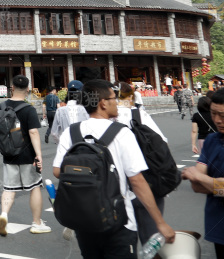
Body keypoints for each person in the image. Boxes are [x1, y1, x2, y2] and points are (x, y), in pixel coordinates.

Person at [54, 79, 175, 258]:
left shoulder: (71, 132)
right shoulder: (121, 133)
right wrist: (160, 222)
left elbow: (57, 171)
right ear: (103, 103)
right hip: (120, 221)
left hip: (85, 221)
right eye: (113, 98)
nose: (117, 102)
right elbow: (137, 181)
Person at [115, 82, 169, 245]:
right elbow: (162, 142)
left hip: (116, 188)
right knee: (151, 238)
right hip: (146, 180)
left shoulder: (105, 118)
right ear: (130, 97)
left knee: (121, 243)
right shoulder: (139, 114)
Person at [0, 75, 49, 236]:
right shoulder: (29, 109)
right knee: (35, 187)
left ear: (12, 88)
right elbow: (33, 132)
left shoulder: (2, 106)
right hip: (27, 155)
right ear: (28, 89)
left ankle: (4, 215)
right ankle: (37, 223)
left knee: (9, 188)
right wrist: (39, 155)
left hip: (8, 153)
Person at [182, 88, 224, 257]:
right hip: (218, 227)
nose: (217, 120)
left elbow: (197, 178)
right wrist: (216, 186)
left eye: (222, 115)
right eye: (213, 114)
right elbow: (196, 187)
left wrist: (199, 176)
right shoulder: (211, 140)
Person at [49, 80, 89, 146]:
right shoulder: (86, 109)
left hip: (67, 147)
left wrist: (61, 143)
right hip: (84, 146)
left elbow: (54, 133)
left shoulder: (60, 111)